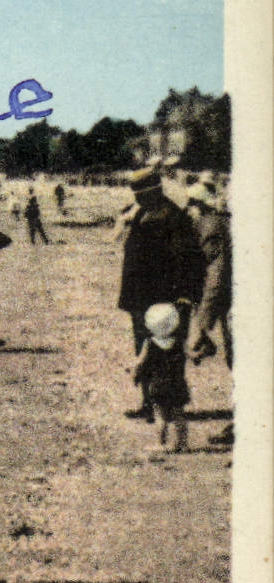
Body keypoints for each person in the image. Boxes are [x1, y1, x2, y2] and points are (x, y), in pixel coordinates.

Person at [117, 168, 205, 418]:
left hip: (163, 299)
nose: (137, 199)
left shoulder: (172, 218)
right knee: (144, 349)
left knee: (167, 352)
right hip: (141, 297)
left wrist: (185, 296)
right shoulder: (144, 212)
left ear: (154, 192)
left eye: (141, 194)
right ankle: (149, 403)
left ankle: (168, 406)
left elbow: (187, 260)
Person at [185, 179, 232, 445]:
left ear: (198, 205)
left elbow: (216, 278)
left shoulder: (211, 227)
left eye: (190, 205)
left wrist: (203, 325)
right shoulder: (212, 224)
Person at [133, 302, 189, 453]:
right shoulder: (180, 342)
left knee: (161, 416)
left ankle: (161, 443)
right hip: (177, 384)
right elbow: (192, 355)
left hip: (158, 384)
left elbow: (140, 362)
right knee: (179, 415)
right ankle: (182, 443)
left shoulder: (149, 343)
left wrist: (135, 374)